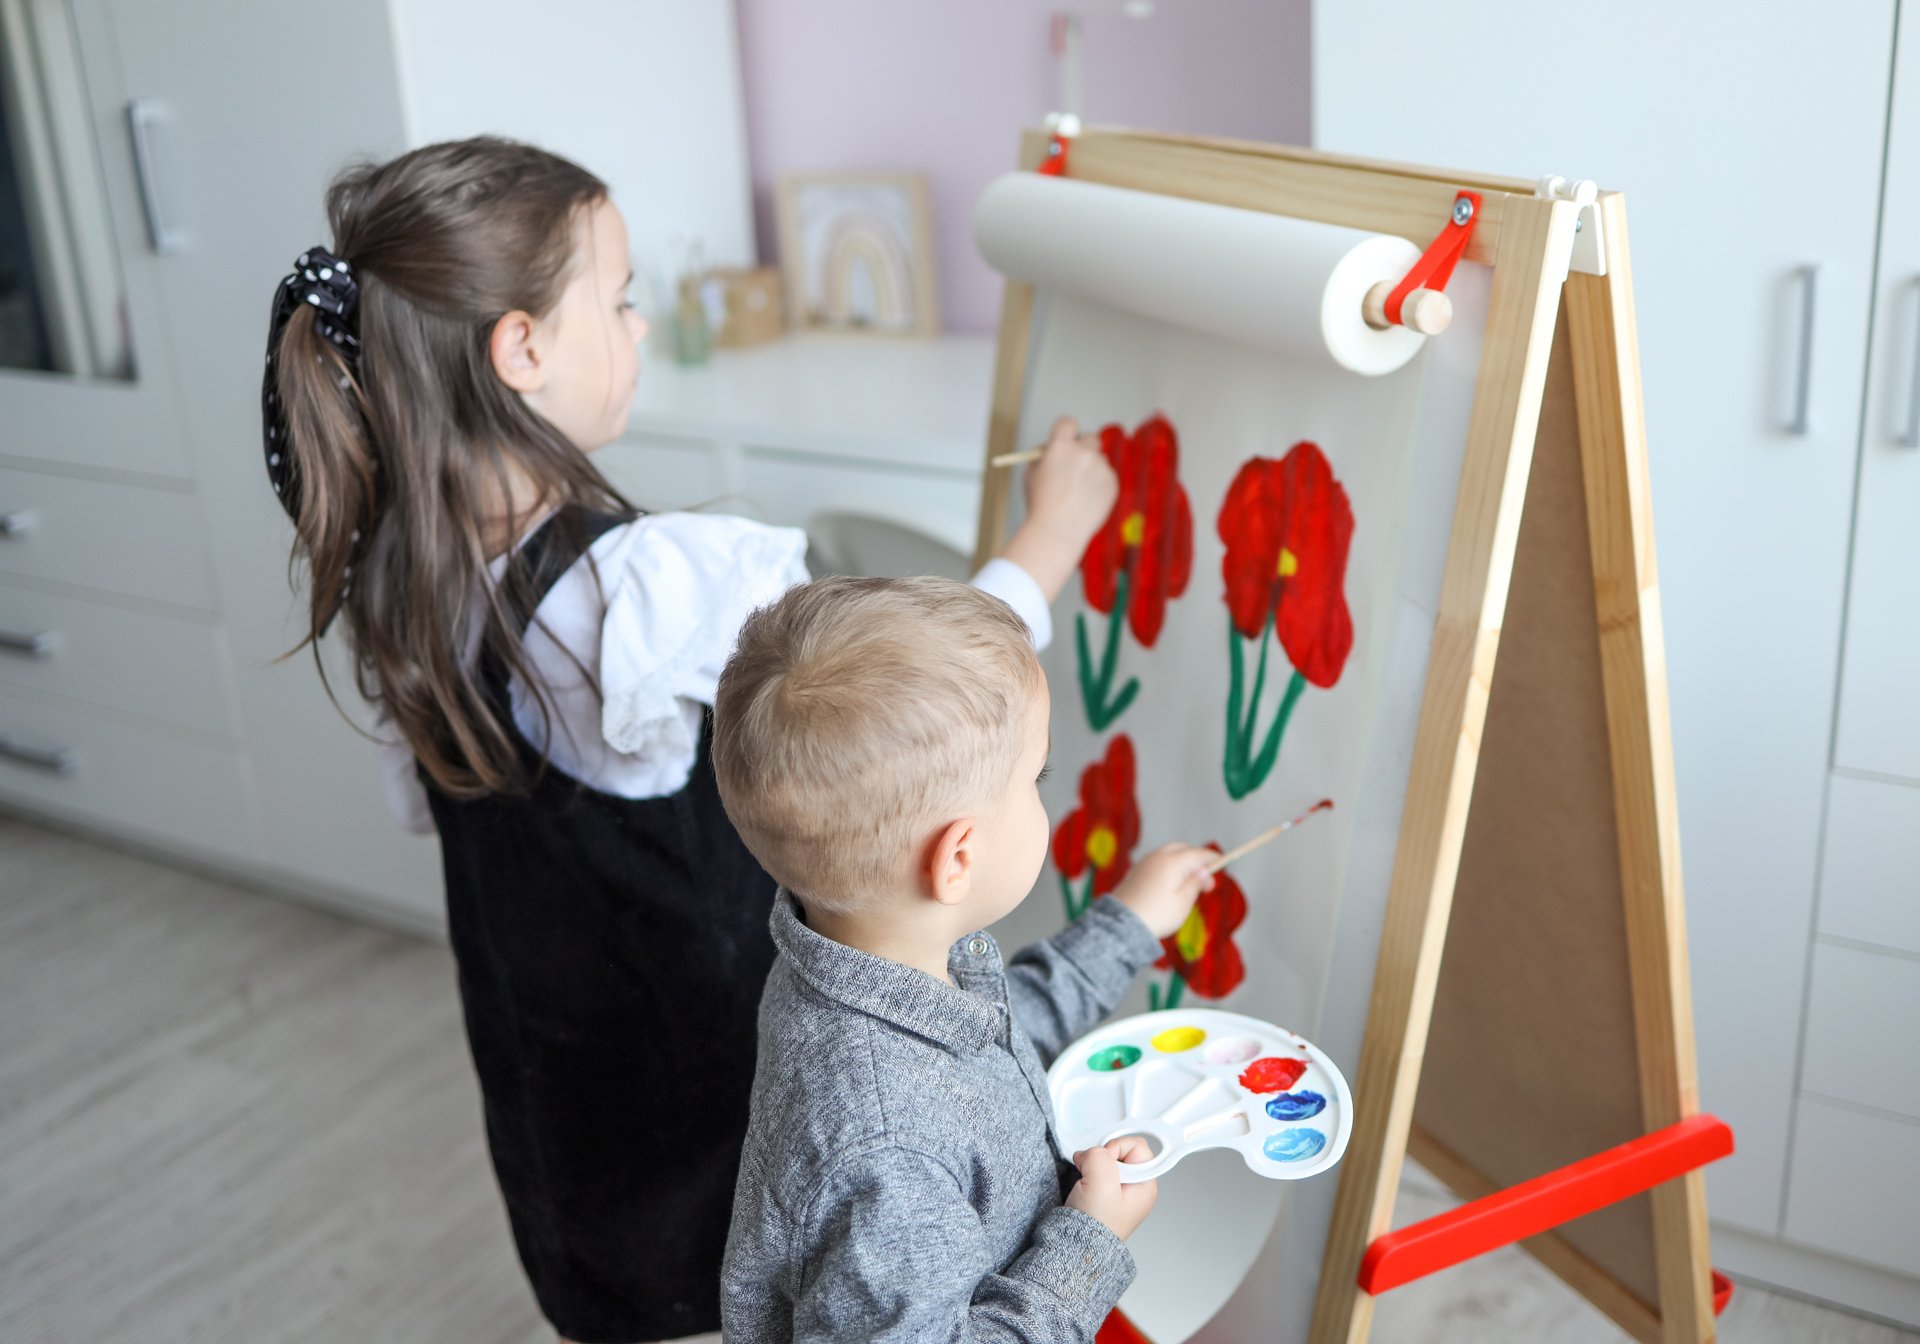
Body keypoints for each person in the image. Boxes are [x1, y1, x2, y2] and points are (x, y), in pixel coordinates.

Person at [261, 136, 1117, 1343]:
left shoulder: (401, 571)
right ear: (521, 351)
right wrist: (1054, 538)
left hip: (566, 1117)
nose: (638, 326)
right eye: (614, 300)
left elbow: (435, 809)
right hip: (718, 1104)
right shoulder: (632, 591)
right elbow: (896, 705)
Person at [712, 576, 1216, 1341]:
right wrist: (1089, 1242)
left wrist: (1126, 925)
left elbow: (988, 1052)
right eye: (1036, 779)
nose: (1045, 795)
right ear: (959, 857)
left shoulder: (851, 954)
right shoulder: (887, 1146)